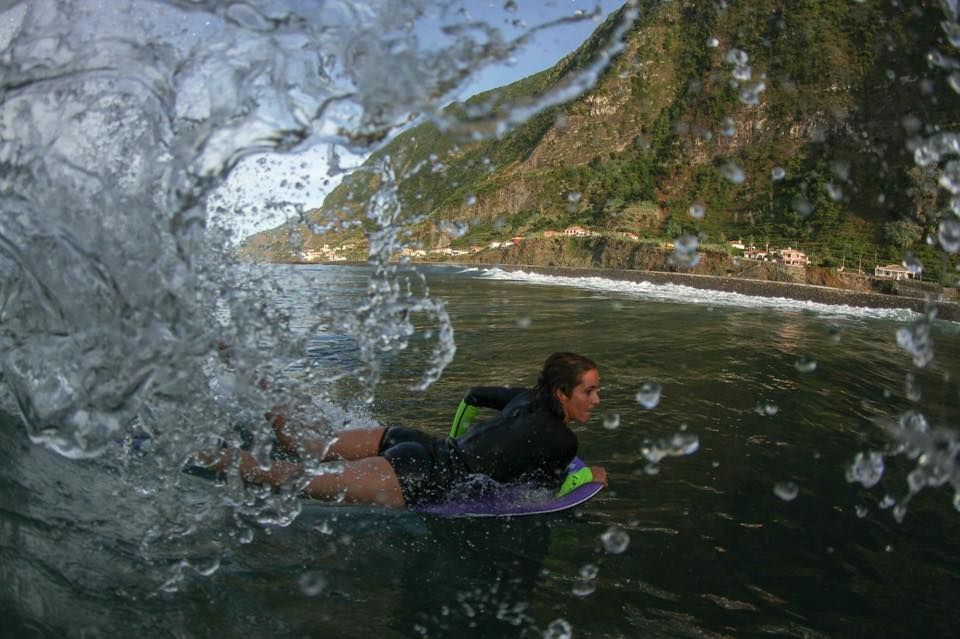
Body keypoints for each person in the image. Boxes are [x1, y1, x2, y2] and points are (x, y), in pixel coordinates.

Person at [197, 352, 608, 508]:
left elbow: (473, 395)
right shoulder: (561, 439)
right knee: (286, 477)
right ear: (561, 393)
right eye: (588, 391)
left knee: (303, 444)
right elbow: (547, 495)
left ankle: (241, 360)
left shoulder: (524, 397)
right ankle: (195, 452)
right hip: (422, 477)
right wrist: (592, 478)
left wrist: (458, 439)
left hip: (416, 442)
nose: (596, 400)